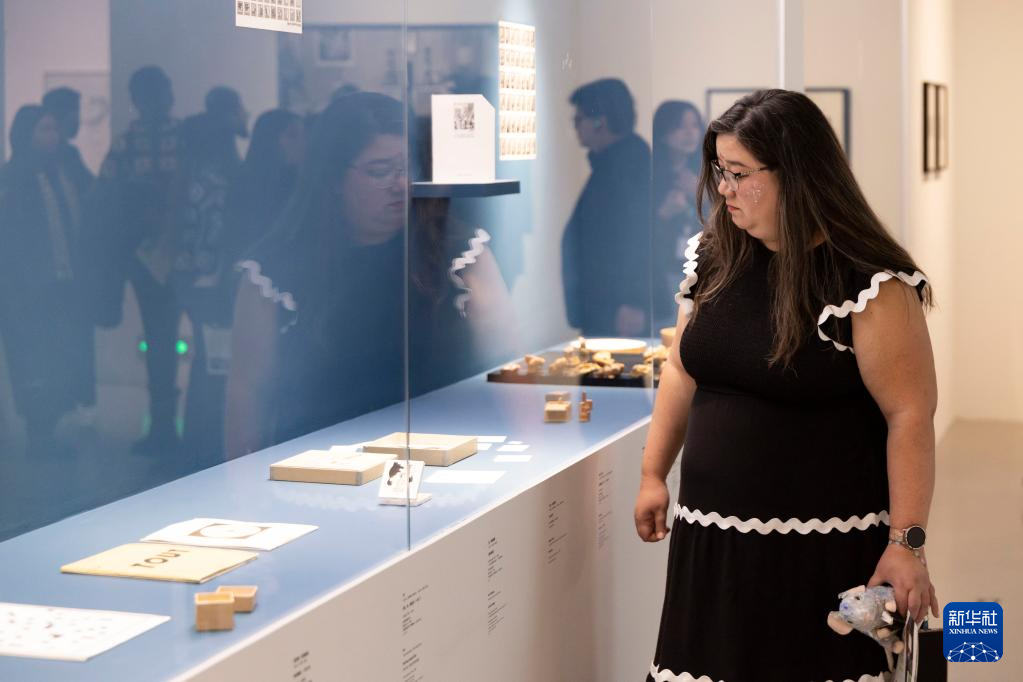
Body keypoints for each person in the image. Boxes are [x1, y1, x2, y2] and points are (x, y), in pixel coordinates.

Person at [635, 89, 939, 681]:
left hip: (821, 549)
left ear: (796, 174)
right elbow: (682, 367)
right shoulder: (715, 255)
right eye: (719, 171)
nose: (723, 189)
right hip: (712, 543)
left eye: (739, 173)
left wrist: (906, 543)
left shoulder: (870, 285)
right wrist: (652, 473)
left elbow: (910, 414)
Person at [225, 92, 511, 458]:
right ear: (332, 178)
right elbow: (247, 391)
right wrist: (241, 479)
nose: (400, 184)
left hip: (448, 457)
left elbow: (507, 364)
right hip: (320, 469)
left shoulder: (459, 251)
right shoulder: (276, 269)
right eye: (379, 171)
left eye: (407, 167)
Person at [0, 106, 96, 453]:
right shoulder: (13, 177)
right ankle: (38, 431)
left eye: (54, 128)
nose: (52, 136)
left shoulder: (61, 173)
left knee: (59, 355)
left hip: (63, 284)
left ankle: (50, 425)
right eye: (44, 129)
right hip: (26, 289)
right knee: (33, 359)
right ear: (26, 134)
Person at [97, 66, 182, 453]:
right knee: (161, 339)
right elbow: (110, 195)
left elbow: (107, 192)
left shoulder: (136, 143)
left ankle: (167, 425)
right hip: (151, 256)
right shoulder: (130, 143)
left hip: (172, 253)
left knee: (161, 339)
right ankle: (165, 425)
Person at [170, 112, 243, 457]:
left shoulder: (189, 176)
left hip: (191, 280)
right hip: (213, 282)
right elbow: (214, 236)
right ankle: (207, 442)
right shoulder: (216, 181)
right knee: (216, 364)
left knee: (204, 361)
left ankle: (196, 442)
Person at [561, 78, 652, 337]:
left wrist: (633, 300)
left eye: (578, 119)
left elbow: (638, 234)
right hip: (607, 306)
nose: (575, 127)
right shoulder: (612, 164)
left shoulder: (625, 167)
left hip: (618, 310)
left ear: (600, 122)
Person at [223, 109, 303, 264]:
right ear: (269, 139)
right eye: (292, 135)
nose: (302, 142)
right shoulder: (245, 184)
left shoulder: (301, 184)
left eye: (303, 135)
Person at [651, 100, 703, 329]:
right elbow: (636, 232)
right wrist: (663, 214)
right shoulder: (651, 174)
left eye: (694, 125)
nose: (690, 133)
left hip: (702, 269)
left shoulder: (709, 171)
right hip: (663, 271)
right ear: (664, 133)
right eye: (680, 126)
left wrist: (700, 195)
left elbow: (724, 220)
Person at [42, 87, 95, 190]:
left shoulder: (69, 153)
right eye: (77, 111)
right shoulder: (67, 154)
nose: (79, 119)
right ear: (68, 115)